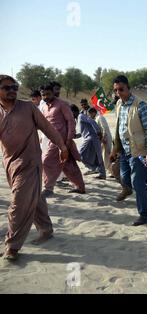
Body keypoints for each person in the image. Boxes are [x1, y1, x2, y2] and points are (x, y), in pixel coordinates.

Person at [0, 75, 68, 261]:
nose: (12, 90)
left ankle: (12, 246)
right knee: (35, 197)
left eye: (15, 86)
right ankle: (46, 229)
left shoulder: (28, 108)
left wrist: (62, 146)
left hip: (30, 162)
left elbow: (48, 128)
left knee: (18, 204)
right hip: (10, 164)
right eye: (7, 87)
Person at [110, 75, 147, 226]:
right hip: (125, 151)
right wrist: (115, 149)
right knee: (126, 179)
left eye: (121, 89)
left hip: (139, 150)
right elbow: (119, 129)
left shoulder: (141, 105)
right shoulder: (119, 104)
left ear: (128, 88)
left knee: (137, 182)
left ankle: (145, 215)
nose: (118, 93)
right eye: (116, 90)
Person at [40, 85, 85, 197]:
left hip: (62, 141)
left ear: (53, 93)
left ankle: (48, 188)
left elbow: (71, 122)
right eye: (43, 95)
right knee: (68, 164)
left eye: (48, 94)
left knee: (46, 162)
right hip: (52, 139)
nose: (46, 97)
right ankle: (80, 187)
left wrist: (68, 140)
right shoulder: (45, 107)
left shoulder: (62, 104)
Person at [73, 105, 106, 179]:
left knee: (80, 155)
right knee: (97, 156)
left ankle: (93, 168)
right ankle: (101, 173)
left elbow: (91, 121)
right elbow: (83, 133)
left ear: (74, 112)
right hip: (90, 138)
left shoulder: (81, 116)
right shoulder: (78, 119)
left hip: (91, 138)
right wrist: (75, 136)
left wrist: (98, 131)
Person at [88, 107, 113, 177]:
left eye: (90, 114)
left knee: (106, 155)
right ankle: (109, 170)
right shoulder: (96, 118)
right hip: (102, 139)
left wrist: (104, 138)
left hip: (106, 139)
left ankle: (112, 172)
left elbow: (104, 128)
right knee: (103, 155)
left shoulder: (100, 117)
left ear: (93, 113)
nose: (90, 116)